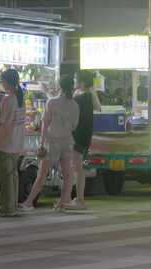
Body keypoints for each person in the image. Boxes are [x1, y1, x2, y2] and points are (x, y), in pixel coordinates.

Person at [18, 75, 80, 211]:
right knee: (67, 174)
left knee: (42, 174)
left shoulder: (52, 102)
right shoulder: (75, 105)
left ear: (59, 86)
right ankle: (63, 203)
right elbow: (75, 126)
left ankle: (28, 202)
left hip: (52, 142)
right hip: (67, 142)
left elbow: (45, 124)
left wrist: (41, 143)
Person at [65, 70, 100, 210]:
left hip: (78, 137)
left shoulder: (82, 97)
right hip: (84, 136)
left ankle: (79, 200)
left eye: (75, 79)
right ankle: (77, 198)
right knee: (77, 168)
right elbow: (98, 107)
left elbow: (65, 105)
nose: (74, 81)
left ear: (82, 83)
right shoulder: (88, 95)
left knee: (77, 169)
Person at [0, 69, 26, 217]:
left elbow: (3, 123)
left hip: (6, 143)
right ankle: (12, 205)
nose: (2, 83)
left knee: (6, 177)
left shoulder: (8, 100)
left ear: (7, 82)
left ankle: (7, 207)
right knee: (13, 176)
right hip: (17, 143)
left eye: (2, 80)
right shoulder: (20, 98)